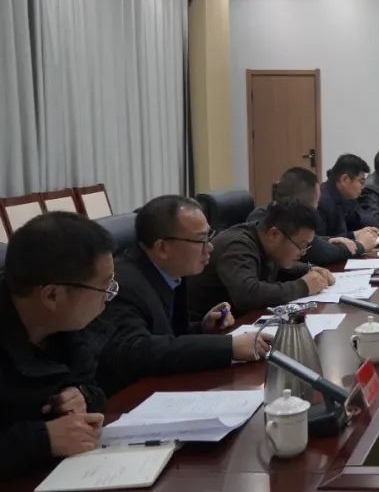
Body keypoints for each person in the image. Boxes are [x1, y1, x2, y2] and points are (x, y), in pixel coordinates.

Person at [95, 196, 273, 395]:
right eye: (200, 240)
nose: (210, 247)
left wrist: (202, 328)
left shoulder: (171, 272)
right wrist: (229, 347)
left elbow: (166, 335)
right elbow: (137, 351)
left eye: (209, 236)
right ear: (162, 248)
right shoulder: (124, 285)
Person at [0, 213, 112, 477]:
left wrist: (81, 396)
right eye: (104, 288)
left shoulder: (65, 326)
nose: (108, 298)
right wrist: (41, 440)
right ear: (52, 295)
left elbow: (93, 385)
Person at [186, 198, 333, 317]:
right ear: (275, 234)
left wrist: (310, 269)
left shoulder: (265, 241)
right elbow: (247, 295)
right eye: (301, 245)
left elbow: (281, 267)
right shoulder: (237, 246)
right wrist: (303, 286)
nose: (303, 253)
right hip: (208, 330)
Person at [254, 167, 377, 266]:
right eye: (317, 202)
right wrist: (361, 245)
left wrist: (332, 239)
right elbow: (318, 251)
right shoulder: (266, 221)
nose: (318, 206)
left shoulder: (268, 212)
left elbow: (314, 241)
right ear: (304, 207)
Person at [318, 154, 379, 241]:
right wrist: (355, 235)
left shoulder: (345, 197)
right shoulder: (322, 202)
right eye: (361, 181)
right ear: (345, 180)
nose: (363, 187)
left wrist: (358, 233)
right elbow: (320, 243)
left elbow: (368, 221)